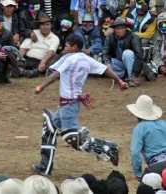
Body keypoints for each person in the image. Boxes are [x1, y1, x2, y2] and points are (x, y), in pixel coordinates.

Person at [31, 34, 128, 175]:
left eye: (67, 46)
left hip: (69, 105)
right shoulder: (87, 60)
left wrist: (41, 86)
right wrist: (119, 81)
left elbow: (56, 74)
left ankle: (108, 147)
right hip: (70, 104)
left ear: (74, 47)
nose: (64, 49)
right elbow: (106, 70)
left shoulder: (70, 59)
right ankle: (44, 166)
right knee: (49, 128)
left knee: (73, 138)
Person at [126, 95, 166, 181]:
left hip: (156, 167)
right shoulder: (163, 124)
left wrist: (138, 173)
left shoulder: (139, 128)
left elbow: (135, 152)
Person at [102, 17, 144, 87]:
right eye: (118, 28)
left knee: (127, 53)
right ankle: (125, 75)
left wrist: (135, 73)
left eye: (122, 28)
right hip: (119, 63)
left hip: (133, 63)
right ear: (114, 29)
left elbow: (139, 56)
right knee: (107, 63)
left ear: (126, 28)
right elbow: (105, 53)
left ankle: (132, 77)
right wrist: (108, 64)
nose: (120, 30)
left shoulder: (134, 37)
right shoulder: (110, 37)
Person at [20, 12, 60, 78]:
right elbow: (23, 48)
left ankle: (36, 72)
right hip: (27, 60)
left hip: (41, 61)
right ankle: (25, 71)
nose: (45, 27)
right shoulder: (34, 33)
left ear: (51, 26)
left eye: (47, 24)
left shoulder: (55, 38)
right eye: (43, 25)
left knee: (56, 56)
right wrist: (19, 61)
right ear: (39, 26)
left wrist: (43, 61)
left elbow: (52, 51)